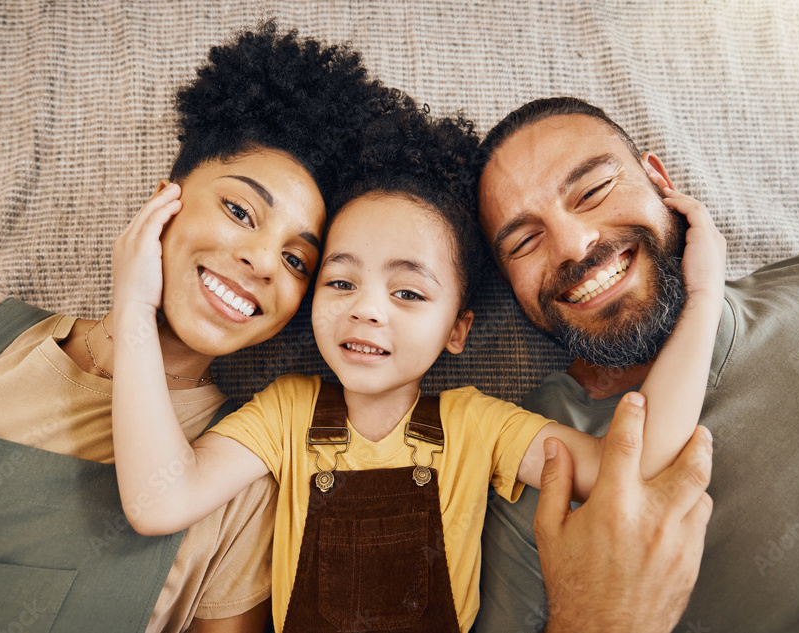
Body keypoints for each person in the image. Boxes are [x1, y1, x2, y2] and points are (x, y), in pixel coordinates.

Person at [110, 93, 724, 633]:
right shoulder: (283, 415)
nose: (368, 312)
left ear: (458, 330)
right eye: (341, 282)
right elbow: (158, 501)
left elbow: (640, 461)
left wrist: (702, 301)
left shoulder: (477, 426)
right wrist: (136, 306)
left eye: (408, 293)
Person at [0, 22, 401, 632]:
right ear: (165, 200)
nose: (263, 262)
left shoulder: (237, 486)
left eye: (298, 260)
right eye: (240, 210)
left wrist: (135, 311)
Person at [474, 97, 799, 632]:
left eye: (592, 191)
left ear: (660, 181)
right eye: (524, 241)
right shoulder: (535, 464)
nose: (573, 245)